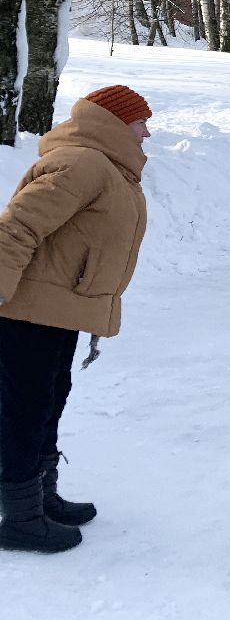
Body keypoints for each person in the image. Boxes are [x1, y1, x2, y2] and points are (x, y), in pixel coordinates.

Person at [0, 85, 151, 553]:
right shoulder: (83, 164)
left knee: (48, 400)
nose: (147, 132)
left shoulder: (109, 169)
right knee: (25, 409)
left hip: (57, 306)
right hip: (29, 310)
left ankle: (41, 498)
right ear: (114, 122)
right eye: (140, 121)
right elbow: (16, 227)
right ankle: (20, 516)